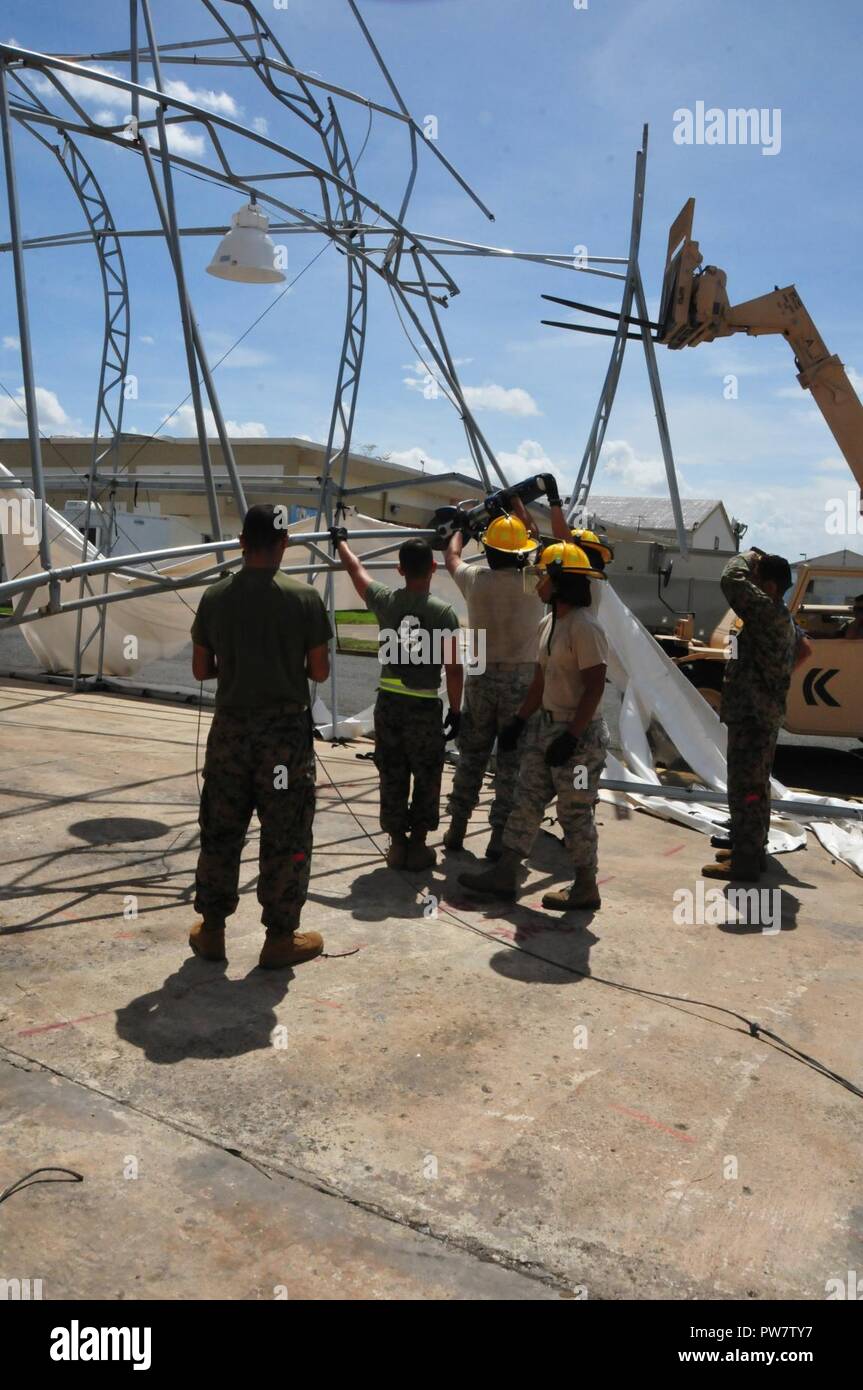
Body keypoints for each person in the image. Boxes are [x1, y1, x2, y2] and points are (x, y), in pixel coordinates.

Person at [189, 504, 332, 968]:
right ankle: (279, 939)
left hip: (230, 732)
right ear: (284, 543)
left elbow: (200, 670)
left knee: (222, 831)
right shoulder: (305, 599)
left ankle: (211, 931)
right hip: (284, 740)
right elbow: (320, 672)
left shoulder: (215, 597)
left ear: (241, 542)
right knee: (285, 833)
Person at [458, 541, 609, 909]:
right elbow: (540, 682)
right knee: (525, 801)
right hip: (546, 729)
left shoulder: (584, 628)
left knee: (573, 811)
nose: (535, 581)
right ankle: (506, 873)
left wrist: (572, 736)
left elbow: (595, 685)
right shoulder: (549, 623)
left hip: (580, 740)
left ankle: (586, 885)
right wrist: (519, 721)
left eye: (541, 574)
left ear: (559, 581)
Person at [443, 478, 573, 859]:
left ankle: (456, 827)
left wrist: (461, 531)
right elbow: (547, 549)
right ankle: (498, 837)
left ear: (488, 549)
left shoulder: (476, 581)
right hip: (520, 680)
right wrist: (521, 508)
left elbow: (451, 558)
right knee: (509, 765)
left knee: (472, 755)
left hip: (481, 677)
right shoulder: (532, 582)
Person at [333, 529, 462, 871]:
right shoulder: (444, 613)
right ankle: (418, 844)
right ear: (433, 567)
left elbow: (356, 571)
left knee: (392, 773)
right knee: (426, 774)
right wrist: (457, 711)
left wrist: (341, 542)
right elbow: (454, 669)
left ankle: (397, 845)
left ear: (401, 570)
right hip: (423, 706)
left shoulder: (386, 602)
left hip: (388, 705)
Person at [703, 548, 797, 883]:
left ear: (769, 587)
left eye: (757, 581)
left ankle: (744, 860)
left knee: (746, 788)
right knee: (755, 788)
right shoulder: (779, 615)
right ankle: (750, 850)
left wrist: (746, 557)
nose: (752, 588)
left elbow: (730, 578)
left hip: (754, 717)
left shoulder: (766, 611)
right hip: (761, 714)